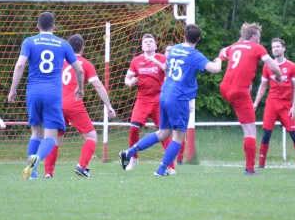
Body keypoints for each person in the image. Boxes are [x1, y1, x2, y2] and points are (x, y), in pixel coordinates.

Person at [119, 24, 222, 176]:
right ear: (198, 39)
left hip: (164, 93)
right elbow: (214, 69)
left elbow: (166, 68)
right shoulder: (195, 55)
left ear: (184, 36)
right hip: (178, 98)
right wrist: (219, 59)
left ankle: (129, 153)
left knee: (163, 133)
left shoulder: (175, 49)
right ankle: (161, 170)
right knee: (178, 137)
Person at [7, 12, 84, 180]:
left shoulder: (29, 41)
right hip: (53, 93)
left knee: (36, 133)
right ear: (54, 26)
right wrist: (80, 88)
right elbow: (79, 69)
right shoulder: (63, 44)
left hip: (33, 92)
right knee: (51, 136)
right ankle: (38, 159)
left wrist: (13, 89)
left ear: (37, 26)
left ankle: (32, 174)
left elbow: (20, 65)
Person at [39, 34, 116, 179]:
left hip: (55, 103)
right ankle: (82, 166)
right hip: (73, 104)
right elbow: (98, 86)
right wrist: (109, 106)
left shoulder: (57, 62)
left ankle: (48, 173)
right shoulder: (85, 64)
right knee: (91, 136)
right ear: (82, 48)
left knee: (55, 140)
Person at [218, 22, 282, 175]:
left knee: (245, 124)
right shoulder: (257, 47)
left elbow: (221, 53)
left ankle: (250, 167)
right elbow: (273, 67)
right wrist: (278, 75)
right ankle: (250, 169)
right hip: (239, 92)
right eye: (259, 37)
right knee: (250, 130)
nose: (260, 40)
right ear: (253, 37)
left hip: (225, 88)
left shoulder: (235, 46)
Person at [253, 38, 295, 169]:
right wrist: (255, 103)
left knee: (294, 134)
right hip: (271, 104)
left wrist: (294, 106)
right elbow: (263, 86)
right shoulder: (268, 66)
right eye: (273, 47)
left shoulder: (292, 66)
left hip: (286, 105)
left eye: (278, 46)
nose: (275, 49)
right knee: (266, 133)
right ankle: (261, 165)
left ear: (284, 48)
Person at [124, 34, 174, 172]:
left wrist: (154, 61)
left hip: (159, 99)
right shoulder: (136, 60)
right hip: (142, 99)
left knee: (164, 132)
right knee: (133, 128)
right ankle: (133, 158)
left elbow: (168, 70)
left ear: (156, 46)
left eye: (151, 41)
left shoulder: (162, 58)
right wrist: (131, 82)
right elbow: (127, 79)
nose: (148, 43)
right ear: (141, 46)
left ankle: (170, 165)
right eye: (145, 41)